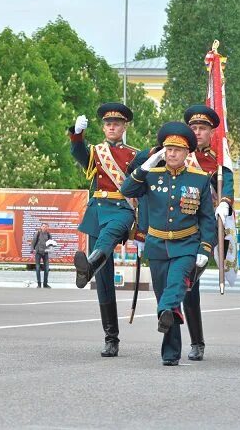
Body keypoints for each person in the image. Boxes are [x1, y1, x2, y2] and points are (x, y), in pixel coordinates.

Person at [121, 122, 216, 366]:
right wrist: (147, 165)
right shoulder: (152, 176)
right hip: (157, 245)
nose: (171, 154)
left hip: (186, 244)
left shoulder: (200, 180)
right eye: (168, 149)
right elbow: (126, 189)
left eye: (177, 150)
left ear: (187, 153)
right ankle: (171, 354)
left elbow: (206, 218)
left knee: (175, 287)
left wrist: (205, 248)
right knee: (165, 297)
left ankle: (165, 311)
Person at [69, 103, 143, 357]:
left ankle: (88, 266)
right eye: (108, 124)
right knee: (103, 279)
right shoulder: (96, 151)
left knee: (108, 239)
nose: (112, 127)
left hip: (121, 210)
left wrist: (141, 230)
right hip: (97, 211)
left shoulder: (134, 155)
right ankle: (111, 337)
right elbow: (78, 154)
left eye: (117, 124)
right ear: (103, 127)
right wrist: (77, 135)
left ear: (124, 127)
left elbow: (142, 190)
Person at [181, 105, 236, 361]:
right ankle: (196, 341)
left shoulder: (217, 160)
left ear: (212, 132)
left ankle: (196, 344)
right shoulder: (178, 156)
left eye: (203, 128)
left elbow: (229, 184)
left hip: (208, 226)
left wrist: (225, 201)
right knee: (187, 285)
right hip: (181, 226)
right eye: (193, 128)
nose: (198, 132)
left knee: (190, 278)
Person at [29, 223, 53, 288]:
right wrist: (32, 250)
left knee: (47, 268)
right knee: (37, 268)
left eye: (46, 226)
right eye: (43, 226)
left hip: (45, 253)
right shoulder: (38, 233)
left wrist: (50, 249)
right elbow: (33, 242)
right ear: (41, 227)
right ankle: (39, 284)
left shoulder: (48, 234)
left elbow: (51, 244)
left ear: (47, 228)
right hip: (38, 252)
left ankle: (45, 284)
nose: (44, 227)